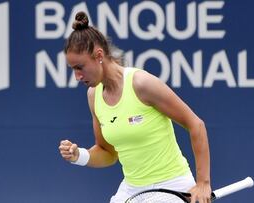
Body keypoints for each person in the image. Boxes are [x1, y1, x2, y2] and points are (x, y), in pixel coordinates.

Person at [58, 11, 211, 203]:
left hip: (172, 185)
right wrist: (78, 155)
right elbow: (108, 153)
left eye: (79, 67)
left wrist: (203, 183)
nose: (77, 77)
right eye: (73, 69)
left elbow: (196, 124)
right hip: (132, 189)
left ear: (98, 55)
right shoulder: (93, 95)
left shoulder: (141, 83)